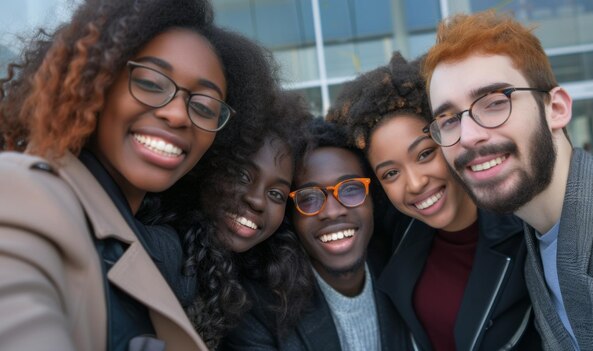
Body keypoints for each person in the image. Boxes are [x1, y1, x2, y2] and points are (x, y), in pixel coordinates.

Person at [0, 0, 276, 349]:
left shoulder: (159, 242)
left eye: (204, 106)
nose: (178, 115)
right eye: (150, 82)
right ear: (95, 83)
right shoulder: (23, 193)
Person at [422, 10, 593, 350]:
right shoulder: (531, 261)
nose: (469, 136)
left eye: (493, 103)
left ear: (556, 108)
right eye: (448, 120)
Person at [327, 52, 540, 350]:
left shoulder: (527, 234)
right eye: (390, 173)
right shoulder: (397, 236)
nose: (415, 183)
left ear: (450, 140)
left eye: (425, 154)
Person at [221, 118, 412, 350]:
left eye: (350, 189)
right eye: (309, 198)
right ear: (291, 217)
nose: (332, 212)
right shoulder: (255, 307)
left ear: (374, 199)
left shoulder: (404, 268)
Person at [144, 90, 315, 349]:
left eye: (276, 193)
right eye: (242, 175)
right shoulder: (164, 258)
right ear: (208, 167)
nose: (257, 201)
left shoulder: (256, 279)